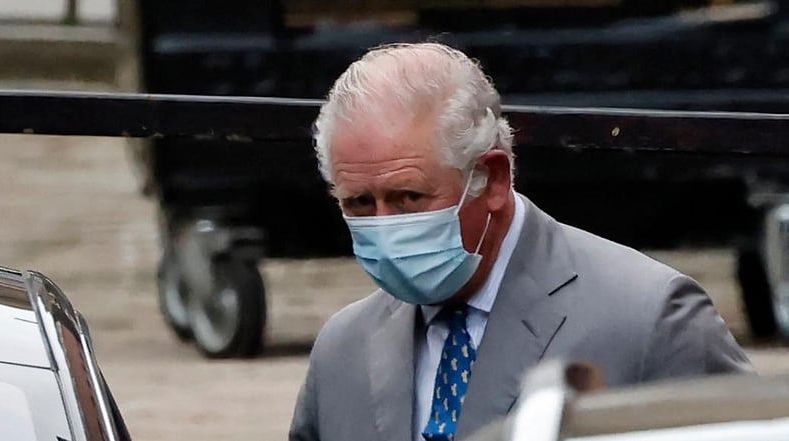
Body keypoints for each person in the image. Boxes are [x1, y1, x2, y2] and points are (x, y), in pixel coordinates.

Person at [289, 42, 753, 441]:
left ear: (491, 179)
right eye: (359, 204)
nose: (384, 226)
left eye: (408, 197)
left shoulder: (650, 320)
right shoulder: (342, 350)